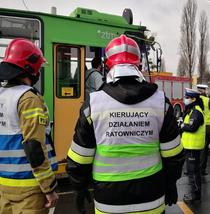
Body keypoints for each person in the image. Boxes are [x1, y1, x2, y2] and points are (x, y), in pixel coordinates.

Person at [66, 35, 184, 214]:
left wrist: (79, 188)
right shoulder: (161, 103)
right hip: (152, 200)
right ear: (140, 66)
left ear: (107, 66)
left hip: (109, 203)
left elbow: (79, 159)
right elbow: (174, 154)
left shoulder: (93, 104)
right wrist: (171, 183)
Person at [0, 38, 58, 213]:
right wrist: (49, 188)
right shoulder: (28, 99)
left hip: (3, 185)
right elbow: (34, 146)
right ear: (29, 68)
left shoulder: (2, 95)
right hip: (29, 187)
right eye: (38, 68)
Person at [181, 88, 205, 203]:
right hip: (190, 145)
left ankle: (195, 195)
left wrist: (182, 126)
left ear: (193, 99)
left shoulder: (196, 111)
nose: (185, 99)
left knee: (193, 172)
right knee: (192, 171)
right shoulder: (192, 110)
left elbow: (192, 127)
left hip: (193, 146)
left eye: (187, 98)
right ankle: (195, 193)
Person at [196, 84, 210, 175]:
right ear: (205, 91)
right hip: (207, 126)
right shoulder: (207, 100)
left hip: (196, 125)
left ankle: (192, 169)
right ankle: (202, 170)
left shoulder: (193, 99)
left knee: (194, 149)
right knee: (204, 150)